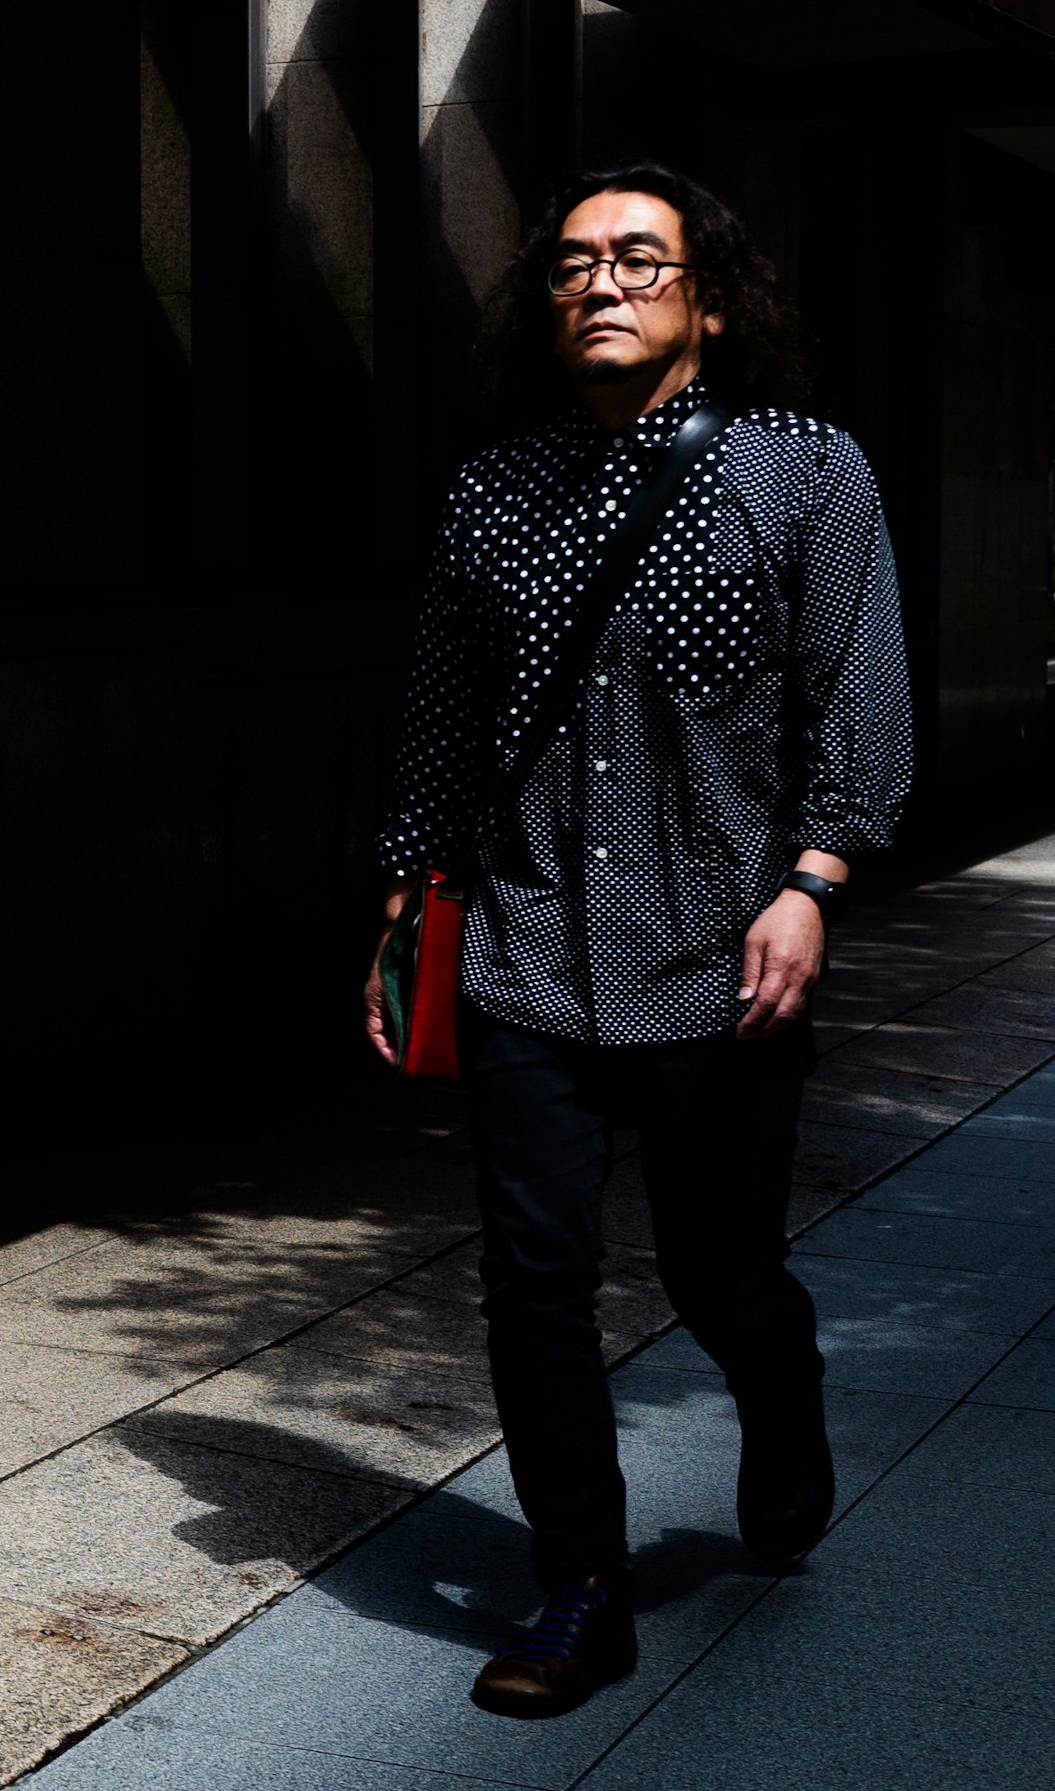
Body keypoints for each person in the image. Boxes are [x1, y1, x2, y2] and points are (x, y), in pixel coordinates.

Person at [367, 161, 908, 1721]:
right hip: (529, 949)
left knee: (718, 1269)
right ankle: (580, 1587)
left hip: (715, 959)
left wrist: (812, 878)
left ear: (708, 300)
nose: (599, 282)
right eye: (571, 264)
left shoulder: (802, 470)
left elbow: (858, 695)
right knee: (534, 1282)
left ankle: (778, 1389)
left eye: (639, 259)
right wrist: (409, 906)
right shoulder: (497, 489)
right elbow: (443, 724)